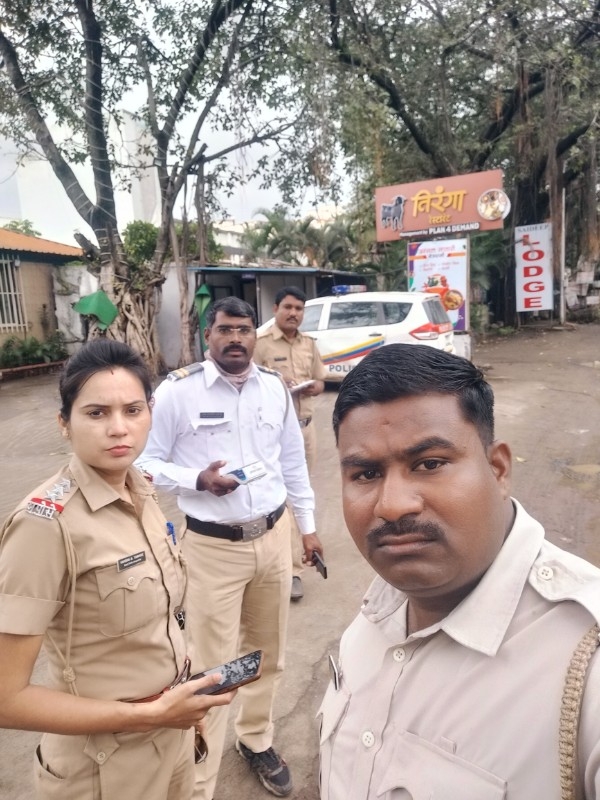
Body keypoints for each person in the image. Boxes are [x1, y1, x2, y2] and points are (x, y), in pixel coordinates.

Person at [319, 343, 600, 799]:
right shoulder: (377, 610)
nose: (392, 506)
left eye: (429, 464)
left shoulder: (586, 668)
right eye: (366, 474)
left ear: (498, 469)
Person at [0, 339, 234, 800]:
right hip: (103, 767)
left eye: (132, 410)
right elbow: (7, 699)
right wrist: (149, 715)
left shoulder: (141, 490)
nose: (118, 428)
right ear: (64, 423)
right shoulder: (44, 525)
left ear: (150, 412)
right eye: (96, 413)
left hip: (174, 737)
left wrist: (180, 700)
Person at [136, 296, 324, 799]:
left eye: (244, 330)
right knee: (210, 671)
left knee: (268, 653)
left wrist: (307, 528)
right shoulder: (177, 392)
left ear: (253, 334)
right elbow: (143, 463)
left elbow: (292, 463)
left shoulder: (273, 388)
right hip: (212, 548)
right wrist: (196, 480)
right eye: (226, 330)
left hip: (274, 539)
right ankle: (199, 783)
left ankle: (256, 739)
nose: (236, 339)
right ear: (208, 335)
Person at [254, 286, 327, 600]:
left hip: (305, 429)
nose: (293, 313)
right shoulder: (260, 344)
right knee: (279, 497)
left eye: (299, 308)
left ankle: (295, 555)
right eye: (288, 307)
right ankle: (291, 571)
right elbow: (246, 385)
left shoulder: (309, 343)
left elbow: (321, 379)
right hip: (272, 433)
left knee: (300, 493)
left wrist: (313, 387)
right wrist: (275, 385)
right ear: (275, 309)